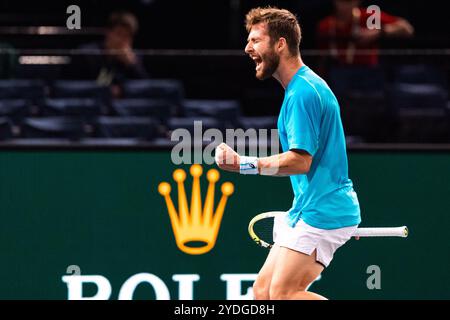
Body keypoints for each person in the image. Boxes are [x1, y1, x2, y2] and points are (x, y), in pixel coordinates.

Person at [215, 7, 361, 300]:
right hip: (306, 209)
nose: (247, 48)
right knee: (262, 293)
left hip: (324, 212)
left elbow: (300, 161)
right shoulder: (300, 89)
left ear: (280, 44)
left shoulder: (304, 93)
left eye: (256, 40)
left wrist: (242, 164)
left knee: (284, 294)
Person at [71, 11, 148, 97]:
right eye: (119, 34)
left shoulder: (134, 58)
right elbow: (76, 89)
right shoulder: (87, 54)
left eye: (127, 36)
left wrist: (132, 65)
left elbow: (146, 90)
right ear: (108, 33)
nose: (122, 40)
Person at [317, 0, 414, 66]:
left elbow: (407, 28)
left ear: (357, 2)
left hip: (368, 73)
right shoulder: (325, 25)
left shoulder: (369, 18)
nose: (344, 6)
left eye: (349, 1)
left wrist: (379, 32)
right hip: (337, 74)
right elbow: (320, 59)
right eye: (342, 1)